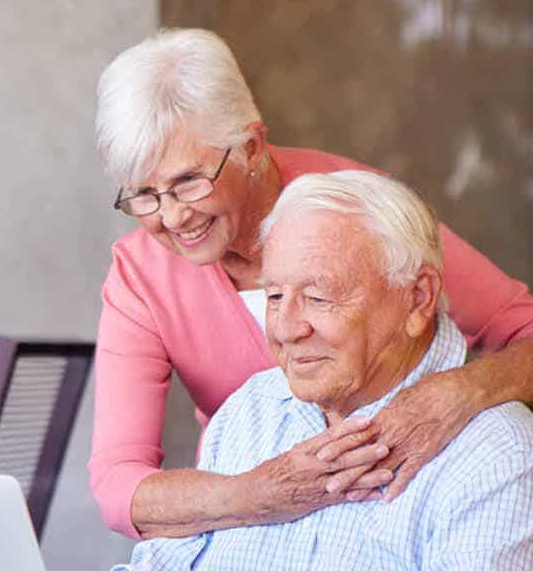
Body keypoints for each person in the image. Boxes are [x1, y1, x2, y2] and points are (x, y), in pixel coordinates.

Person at [55, 171, 533, 571]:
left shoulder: (493, 447)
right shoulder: (250, 411)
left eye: (319, 298)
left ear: (417, 300)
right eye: (275, 297)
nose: (286, 329)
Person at [89, 28, 533, 540]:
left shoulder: (359, 216)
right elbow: (119, 483)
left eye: (189, 181)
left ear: (251, 147)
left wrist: (457, 392)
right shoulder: (140, 275)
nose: (172, 216)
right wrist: (259, 494)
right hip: (251, 535)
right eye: (144, 194)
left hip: (393, 521)